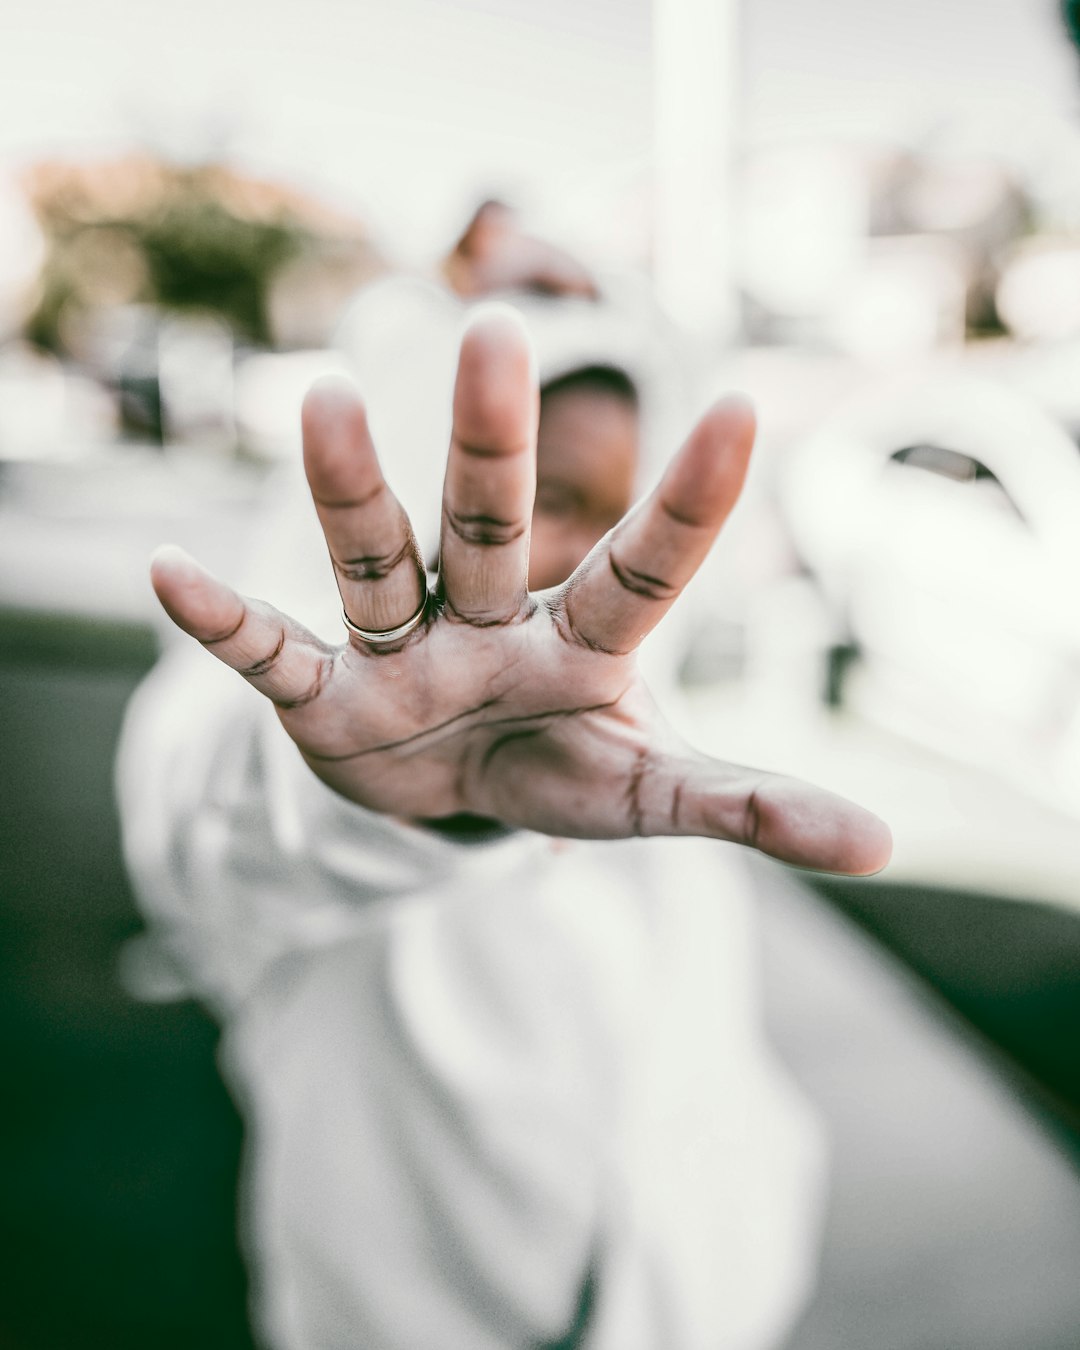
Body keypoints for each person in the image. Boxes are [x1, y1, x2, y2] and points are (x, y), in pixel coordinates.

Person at [118, 235, 891, 1348]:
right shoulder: (262, 710)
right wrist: (407, 802)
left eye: (615, 513)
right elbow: (205, 835)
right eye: (549, 497)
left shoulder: (648, 736)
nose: (576, 554)